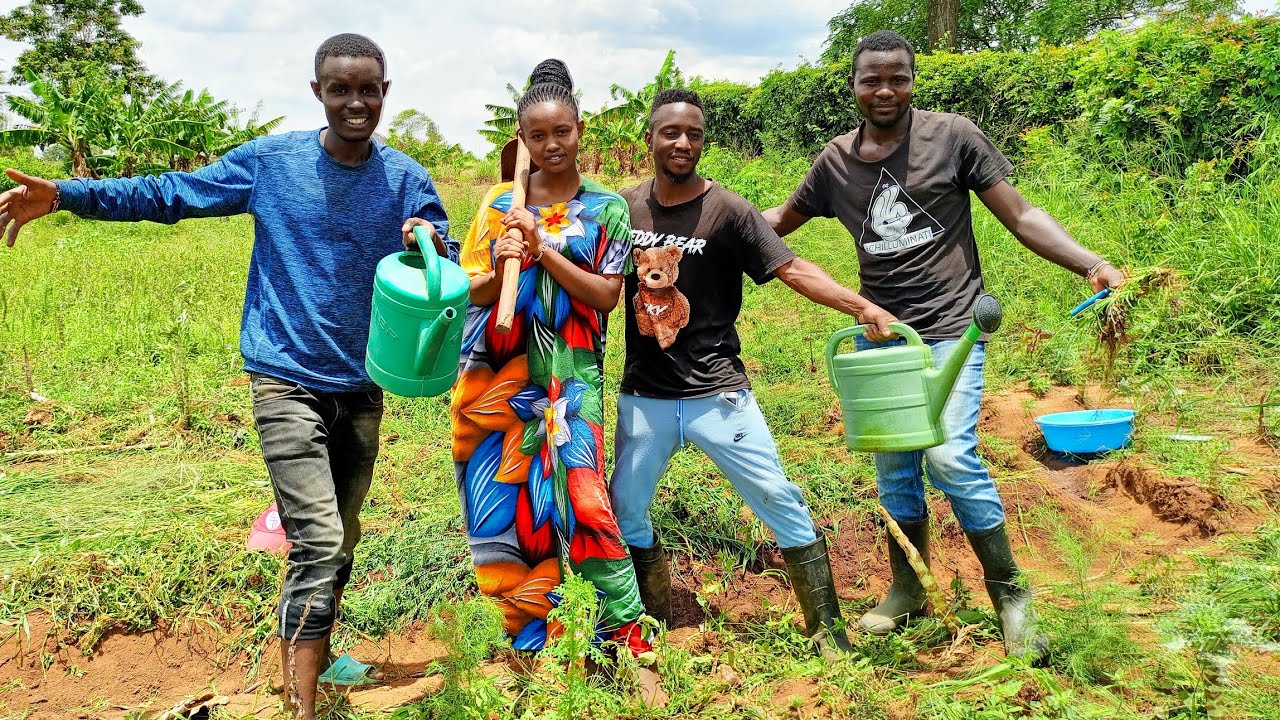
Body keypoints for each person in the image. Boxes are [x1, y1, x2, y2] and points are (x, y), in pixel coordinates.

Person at [0, 34, 456, 718]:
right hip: (284, 376)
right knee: (319, 538)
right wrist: (68, 195)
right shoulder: (271, 165)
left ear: (385, 93)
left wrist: (428, 238)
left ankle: (322, 661)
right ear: (318, 93)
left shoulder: (405, 179)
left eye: (368, 89)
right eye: (341, 89)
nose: (355, 102)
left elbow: (437, 248)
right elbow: (169, 193)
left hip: (361, 384)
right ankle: (301, 707)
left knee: (345, 533)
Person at [765, 30, 1125, 659]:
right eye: (871, 79)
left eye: (897, 77)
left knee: (953, 457)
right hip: (884, 338)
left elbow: (1020, 215)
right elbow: (771, 227)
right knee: (895, 466)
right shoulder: (836, 163)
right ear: (851, 86)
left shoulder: (952, 137)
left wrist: (1089, 262)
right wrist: (704, 232)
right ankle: (907, 588)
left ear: (913, 80)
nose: (885, 90)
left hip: (952, 329)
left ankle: (1012, 599)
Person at [608, 88, 896, 657]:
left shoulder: (729, 211)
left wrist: (860, 306)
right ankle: (651, 620)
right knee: (624, 506)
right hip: (645, 394)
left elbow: (792, 269)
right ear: (650, 139)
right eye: (670, 132)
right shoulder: (623, 209)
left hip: (719, 393)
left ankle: (827, 633)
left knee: (775, 494)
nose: (682, 143)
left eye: (693, 133)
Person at [449, 59, 663, 702]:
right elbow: (468, 291)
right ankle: (529, 648)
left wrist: (544, 250)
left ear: (579, 130)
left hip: (570, 381)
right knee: (507, 518)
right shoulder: (496, 204)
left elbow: (604, 296)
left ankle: (631, 641)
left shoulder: (607, 208)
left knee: (586, 505)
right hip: (494, 376)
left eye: (561, 132)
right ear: (522, 140)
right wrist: (503, 260)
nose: (550, 145)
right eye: (537, 136)